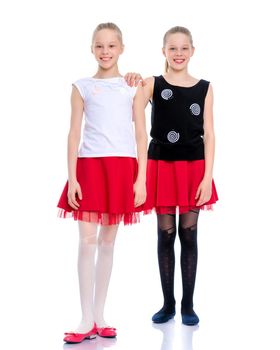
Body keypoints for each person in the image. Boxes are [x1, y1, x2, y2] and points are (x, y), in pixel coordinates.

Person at [57, 22, 147, 343]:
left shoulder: (132, 86)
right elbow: (73, 134)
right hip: (90, 168)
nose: (105, 51)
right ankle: (84, 318)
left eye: (111, 45)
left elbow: (141, 134)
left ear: (121, 48)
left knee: (108, 242)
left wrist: (141, 180)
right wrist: (72, 178)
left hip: (122, 168)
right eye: (99, 46)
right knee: (87, 240)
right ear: (92, 49)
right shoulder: (81, 86)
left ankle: (99, 315)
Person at [128, 26, 218, 326]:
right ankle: (168, 303)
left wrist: (207, 177)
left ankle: (189, 305)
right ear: (164, 51)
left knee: (189, 234)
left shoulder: (204, 87)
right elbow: (131, 110)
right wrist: (131, 81)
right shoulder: (153, 84)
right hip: (161, 165)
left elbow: (210, 133)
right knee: (165, 234)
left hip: (193, 168)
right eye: (172, 48)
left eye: (183, 48)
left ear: (192, 51)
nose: (178, 54)